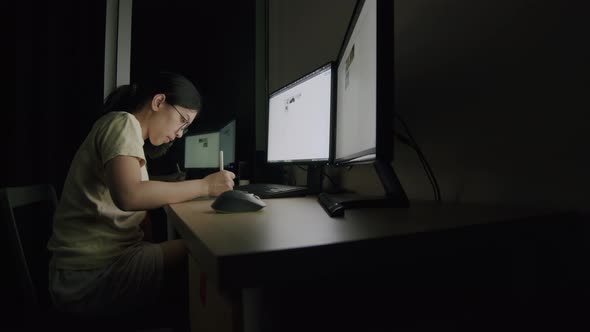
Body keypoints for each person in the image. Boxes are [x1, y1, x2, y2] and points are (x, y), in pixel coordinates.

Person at [47, 71, 235, 331]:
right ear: (159, 102)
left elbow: (139, 202)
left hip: (95, 266)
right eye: (182, 121)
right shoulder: (122, 123)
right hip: (89, 277)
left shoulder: (130, 135)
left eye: (186, 128)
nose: (180, 133)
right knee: (204, 249)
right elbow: (130, 195)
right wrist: (205, 185)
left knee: (193, 248)